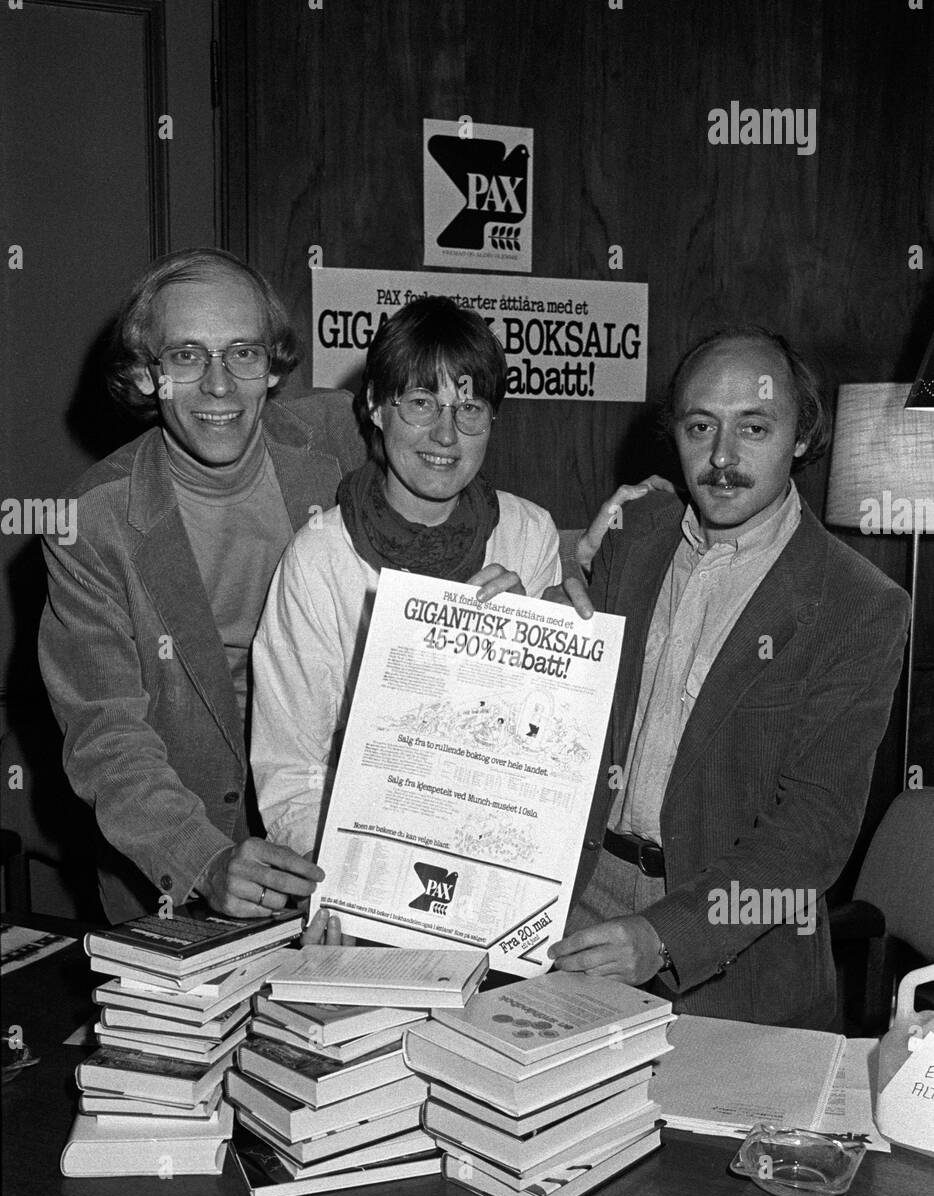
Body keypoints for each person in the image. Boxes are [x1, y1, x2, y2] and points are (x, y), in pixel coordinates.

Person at [549, 327, 910, 1027]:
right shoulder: (633, 532)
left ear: (801, 437)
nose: (721, 458)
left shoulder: (859, 605)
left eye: (753, 428)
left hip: (736, 947)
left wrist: (664, 935)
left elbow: (813, 836)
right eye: (699, 427)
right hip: (576, 899)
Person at [39, 248, 368, 926]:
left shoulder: (345, 442)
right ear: (142, 373)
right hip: (175, 876)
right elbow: (107, 734)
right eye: (186, 356)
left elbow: (459, 479)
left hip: (345, 848)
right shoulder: (90, 522)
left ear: (272, 366)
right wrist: (204, 860)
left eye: (242, 354)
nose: (218, 385)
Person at [250, 296, 562, 856]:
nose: (446, 435)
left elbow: (542, 757)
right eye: (421, 402)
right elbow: (292, 776)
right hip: (362, 854)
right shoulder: (321, 557)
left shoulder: (528, 534)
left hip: (493, 851)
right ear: (375, 406)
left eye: (469, 409)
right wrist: (343, 884)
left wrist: (523, 660)